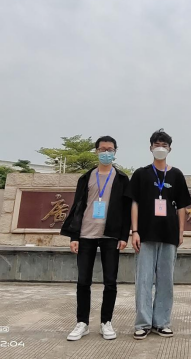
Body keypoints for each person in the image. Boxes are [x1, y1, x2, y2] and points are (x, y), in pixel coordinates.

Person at [61, 136, 132, 342]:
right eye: (102, 149)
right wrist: (74, 236)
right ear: (96, 151)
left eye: (110, 149)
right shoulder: (86, 178)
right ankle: (82, 323)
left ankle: (106, 322)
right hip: (86, 234)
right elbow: (77, 207)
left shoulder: (121, 179)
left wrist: (123, 236)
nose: (106, 152)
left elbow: (126, 210)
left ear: (115, 152)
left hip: (110, 235)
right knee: (83, 281)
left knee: (110, 282)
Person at [126, 129, 191, 341]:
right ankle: (143, 323)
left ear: (170, 149)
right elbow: (134, 204)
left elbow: (182, 206)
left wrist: (181, 231)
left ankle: (162, 322)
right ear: (150, 148)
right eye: (157, 145)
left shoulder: (176, 175)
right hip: (145, 234)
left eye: (164, 145)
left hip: (169, 234)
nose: (160, 148)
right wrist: (134, 231)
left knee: (166, 281)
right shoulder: (141, 174)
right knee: (143, 281)